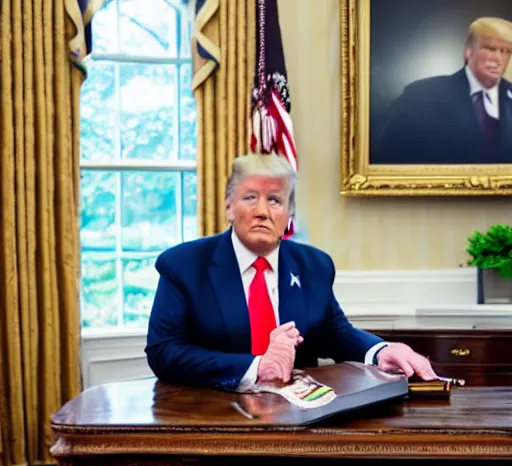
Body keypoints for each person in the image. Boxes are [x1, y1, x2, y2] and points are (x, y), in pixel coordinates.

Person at [145, 153, 437, 390]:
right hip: (210, 412)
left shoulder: (315, 266)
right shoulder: (183, 265)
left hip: (298, 416)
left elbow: (335, 333)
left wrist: (381, 351)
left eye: (274, 200)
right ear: (229, 206)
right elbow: (164, 351)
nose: (262, 211)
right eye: (250, 198)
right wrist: (256, 367)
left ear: (289, 215)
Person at [373, 17, 512, 164]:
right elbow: (388, 160)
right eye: (490, 48)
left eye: (506, 51)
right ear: (469, 51)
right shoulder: (421, 95)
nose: (498, 59)